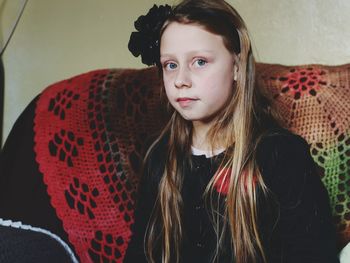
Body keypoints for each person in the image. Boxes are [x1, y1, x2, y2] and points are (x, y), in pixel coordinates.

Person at [124, 0, 339, 262]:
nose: (181, 80)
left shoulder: (281, 156)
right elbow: (140, 254)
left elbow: (315, 254)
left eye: (200, 62)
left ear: (236, 67)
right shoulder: (160, 158)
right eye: (170, 65)